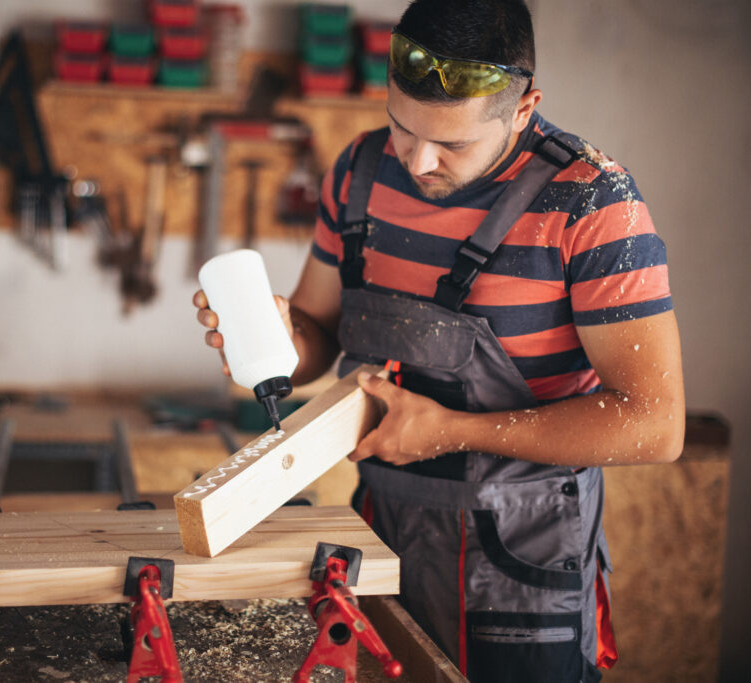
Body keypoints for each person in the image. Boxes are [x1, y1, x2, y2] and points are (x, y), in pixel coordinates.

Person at [193, 0, 684, 680]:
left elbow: (654, 426)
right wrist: (276, 339)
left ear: (523, 108)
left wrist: (452, 429)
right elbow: (315, 342)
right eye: (401, 127)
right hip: (380, 535)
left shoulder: (593, 206)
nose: (418, 160)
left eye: (452, 145)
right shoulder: (360, 171)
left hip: (521, 564)